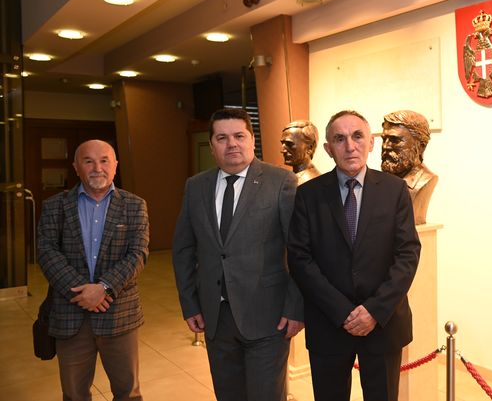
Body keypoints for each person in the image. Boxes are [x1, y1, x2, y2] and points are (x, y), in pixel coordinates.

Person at [287, 110, 421, 401]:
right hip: (329, 323)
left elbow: (407, 254)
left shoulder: (395, 190)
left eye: (358, 136)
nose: (350, 146)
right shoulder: (308, 195)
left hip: (383, 323)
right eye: (340, 139)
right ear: (328, 148)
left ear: (371, 142)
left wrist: (374, 311)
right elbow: (300, 258)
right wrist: (341, 311)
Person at [172, 108, 304, 401]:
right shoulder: (196, 186)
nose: (231, 144)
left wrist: (296, 308)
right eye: (222, 138)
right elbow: (183, 249)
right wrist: (190, 304)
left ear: (252, 140)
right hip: (216, 318)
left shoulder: (281, 182)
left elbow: (299, 251)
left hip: (268, 317)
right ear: (212, 145)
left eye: (239, 136)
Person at [37, 139, 150, 401]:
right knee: (74, 395)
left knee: (128, 393)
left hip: (119, 314)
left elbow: (138, 254)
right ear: (76, 167)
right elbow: (47, 252)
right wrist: (82, 293)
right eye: (88, 161)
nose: (97, 168)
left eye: (104, 161)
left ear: (115, 165)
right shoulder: (54, 206)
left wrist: (104, 288)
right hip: (70, 314)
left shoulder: (135, 205)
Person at [381, 110, 438, 224]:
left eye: (395, 140)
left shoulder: (424, 182)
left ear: (420, 146)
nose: (386, 146)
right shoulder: (381, 182)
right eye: (384, 139)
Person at [280, 120, 321, 185]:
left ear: (310, 148)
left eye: (289, 144)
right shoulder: (294, 178)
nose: (283, 151)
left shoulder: (310, 183)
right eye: (282, 144)